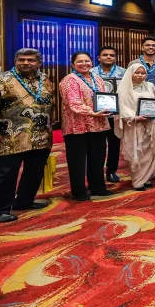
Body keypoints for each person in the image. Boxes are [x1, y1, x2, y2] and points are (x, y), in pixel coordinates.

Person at [0, 49, 54, 222]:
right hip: (10, 136)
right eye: (21, 60)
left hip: (41, 136)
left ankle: (24, 201)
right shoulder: (0, 80)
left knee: (34, 171)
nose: (26, 63)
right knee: (4, 174)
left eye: (31, 60)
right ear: (15, 62)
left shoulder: (44, 79)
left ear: (39, 63)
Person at [60, 51, 113, 200]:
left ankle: (97, 187)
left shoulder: (97, 78)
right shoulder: (69, 80)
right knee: (77, 162)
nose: (84, 64)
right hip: (77, 127)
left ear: (92, 62)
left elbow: (104, 98)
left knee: (97, 159)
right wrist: (93, 112)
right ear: (73, 64)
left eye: (87, 61)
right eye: (80, 61)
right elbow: (74, 104)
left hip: (98, 125)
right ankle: (79, 192)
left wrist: (110, 108)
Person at [115, 62, 155, 192]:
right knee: (137, 151)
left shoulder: (150, 86)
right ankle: (138, 181)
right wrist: (134, 118)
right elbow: (122, 107)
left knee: (150, 151)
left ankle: (146, 178)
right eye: (137, 73)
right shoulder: (124, 88)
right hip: (134, 125)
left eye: (143, 73)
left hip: (151, 125)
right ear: (131, 73)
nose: (140, 75)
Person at [91, 45, 125, 183]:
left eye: (112, 55)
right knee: (96, 145)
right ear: (99, 58)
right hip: (97, 114)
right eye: (105, 55)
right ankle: (96, 172)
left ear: (115, 58)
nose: (109, 57)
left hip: (115, 114)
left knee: (114, 144)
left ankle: (111, 171)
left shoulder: (123, 72)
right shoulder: (91, 72)